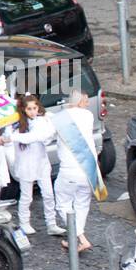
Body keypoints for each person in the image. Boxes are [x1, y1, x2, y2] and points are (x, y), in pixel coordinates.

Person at [51, 90, 98, 252]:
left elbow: (45, 135)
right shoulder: (88, 116)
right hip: (89, 171)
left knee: (62, 203)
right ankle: (76, 239)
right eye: (86, 101)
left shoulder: (61, 118)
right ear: (80, 102)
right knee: (82, 204)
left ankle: (80, 237)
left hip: (69, 171)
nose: (88, 104)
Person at [9, 93, 59, 236]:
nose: (32, 111)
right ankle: (24, 223)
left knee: (49, 194)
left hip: (41, 163)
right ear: (23, 109)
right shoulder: (17, 125)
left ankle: (51, 223)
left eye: (34, 108)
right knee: (26, 196)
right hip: (26, 164)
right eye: (29, 109)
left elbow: (46, 138)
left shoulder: (42, 121)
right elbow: (27, 139)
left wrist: (49, 126)